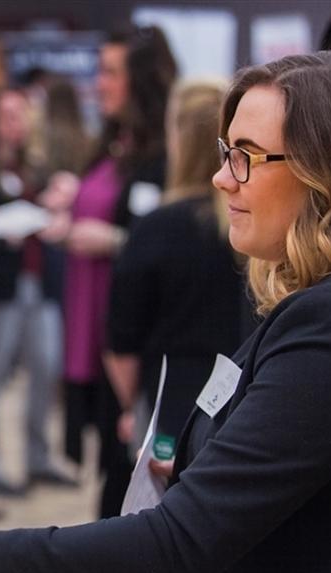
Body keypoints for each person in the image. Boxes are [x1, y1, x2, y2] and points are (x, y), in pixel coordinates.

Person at [0, 49, 331, 573]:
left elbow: (176, 544)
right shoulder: (317, 306)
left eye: (247, 157)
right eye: (225, 152)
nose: (221, 178)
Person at [60, 24, 176, 517]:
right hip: (95, 322)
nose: (98, 83)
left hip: (138, 337)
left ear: (141, 79)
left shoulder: (164, 153)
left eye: (110, 72)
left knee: (131, 475)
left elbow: (173, 242)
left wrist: (113, 239)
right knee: (108, 463)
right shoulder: (113, 143)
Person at [105, 81, 248, 456]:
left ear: (179, 139)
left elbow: (122, 337)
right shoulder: (253, 227)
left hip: (170, 403)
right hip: (245, 399)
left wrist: (131, 404)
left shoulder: (158, 227)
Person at [0, 87, 74, 495]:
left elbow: (55, 212)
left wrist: (58, 208)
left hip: (40, 282)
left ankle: (39, 456)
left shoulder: (38, 165)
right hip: (0, 286)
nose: (15, 123)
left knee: (46, 367)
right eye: (6, 115)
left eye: (21, 114)